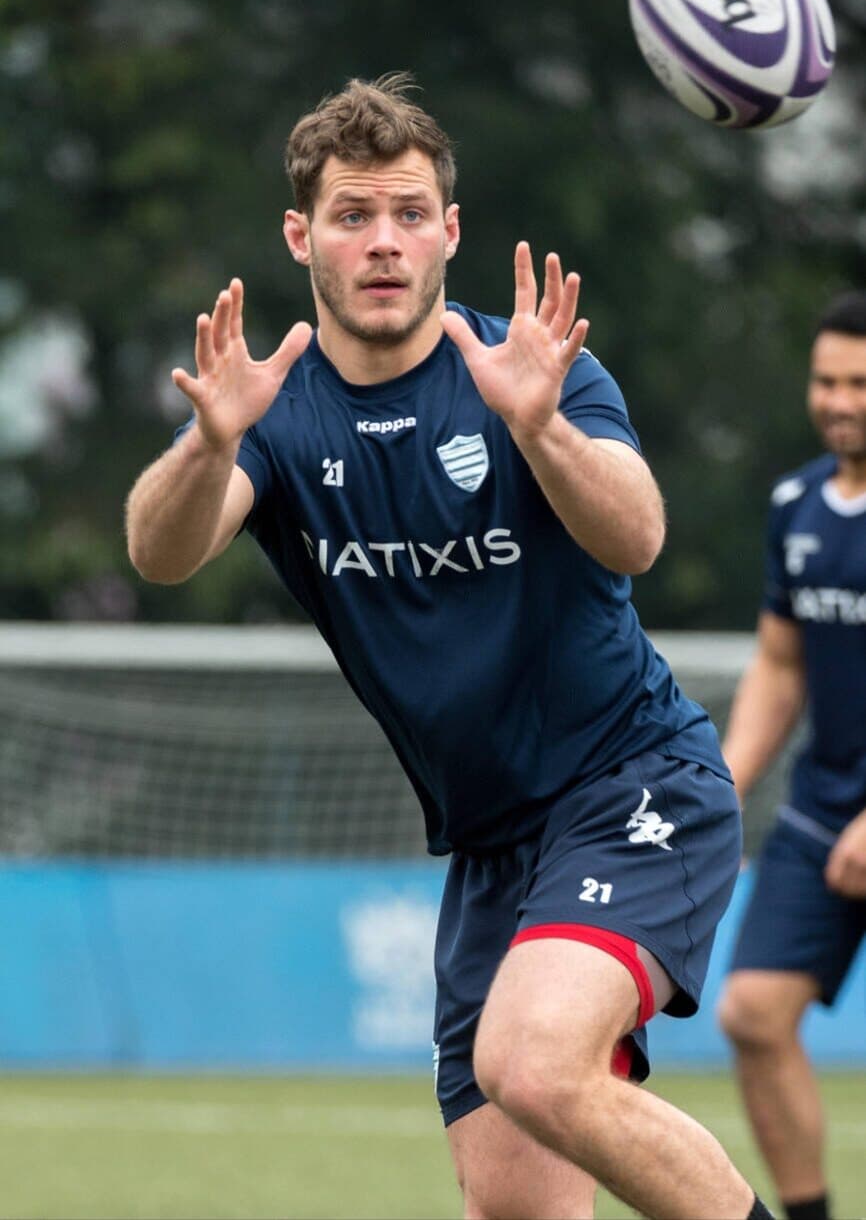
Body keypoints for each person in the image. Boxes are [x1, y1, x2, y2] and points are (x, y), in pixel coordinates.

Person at [126, 73, 770, 1220]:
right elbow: (161, 551)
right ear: (299, 235)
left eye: (409, 214)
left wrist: (539, 425)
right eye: (353, 216)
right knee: (513, 1203)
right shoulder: (272, 409)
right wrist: (203, 443)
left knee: (528, 1060)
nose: (384, 243)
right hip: (488, 845)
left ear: (449, 231)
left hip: (630, 780)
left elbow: (637, 531)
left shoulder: (527, 370)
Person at [717, 292, 866, 1220]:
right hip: (823, 810)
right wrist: (722, 784)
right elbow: (780, 666)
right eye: (826, 380)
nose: (839, 399)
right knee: (751, 1012)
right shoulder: (796, 504)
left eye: (859, 383)